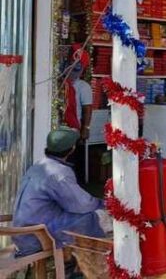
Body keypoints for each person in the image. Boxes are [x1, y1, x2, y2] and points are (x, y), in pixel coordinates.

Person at [12, 127, 108, 256]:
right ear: (72, 149)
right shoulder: (58, 173)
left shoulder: (39, 165)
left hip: (22, 234)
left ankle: (73, 260)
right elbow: (81, 205)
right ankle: (91, 263)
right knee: (99, 217)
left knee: (84, 217)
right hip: (36, 236)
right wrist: (103, 204)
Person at [62, 47, 93, 183]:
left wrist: (85, 128)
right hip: (61, 127)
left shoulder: (83, 86)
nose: (73, 71)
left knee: (73, 159)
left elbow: (87, 108)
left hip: (74, 128)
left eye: (77, 68)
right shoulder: (61, 83)